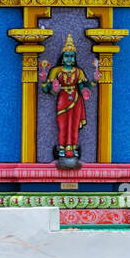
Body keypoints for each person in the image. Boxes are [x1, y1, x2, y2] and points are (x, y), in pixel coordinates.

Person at [39, 35, 91, 163]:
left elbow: (85, 85)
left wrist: (93, 80)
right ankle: (62, 147)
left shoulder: (78, 72)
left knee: (73, 125)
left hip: (76, 100)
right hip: (63, 99)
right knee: (63, 125)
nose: (69, 59)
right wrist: (48, 83)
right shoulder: (56, 71)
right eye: (67, 56)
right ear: (62, 57)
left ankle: (72, 148)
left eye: (71, 56)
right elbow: (47, 89)